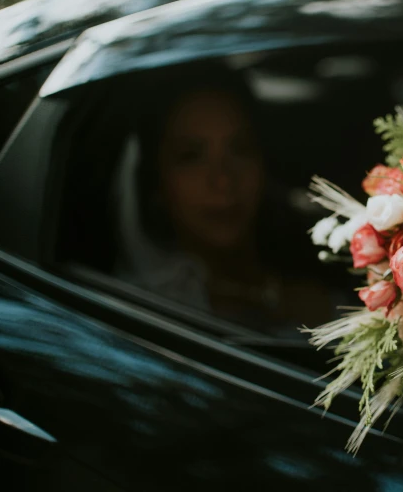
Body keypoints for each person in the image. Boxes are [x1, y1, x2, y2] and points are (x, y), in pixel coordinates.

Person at [114, 65, 329, 333]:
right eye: (190, 157)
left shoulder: (328, 263)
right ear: (156, 182)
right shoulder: (141, 313)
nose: (224, 180)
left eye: (240, 150)